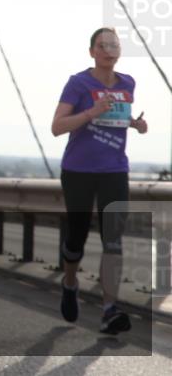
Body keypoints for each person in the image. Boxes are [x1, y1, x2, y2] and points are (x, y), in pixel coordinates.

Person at [51, 27, 147, 335]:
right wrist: (91, 111)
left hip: (115, 170)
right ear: (92, 51)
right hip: (79, 170)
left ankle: (109, 310)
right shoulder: (78, 83)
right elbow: (57, 126)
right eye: (102, 45)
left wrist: (135, 124)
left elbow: (117, 119)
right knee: (76, 238)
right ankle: (69, 283)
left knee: (113, 240)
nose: (109, 49)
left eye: (114, 45)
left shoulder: (127, 84)